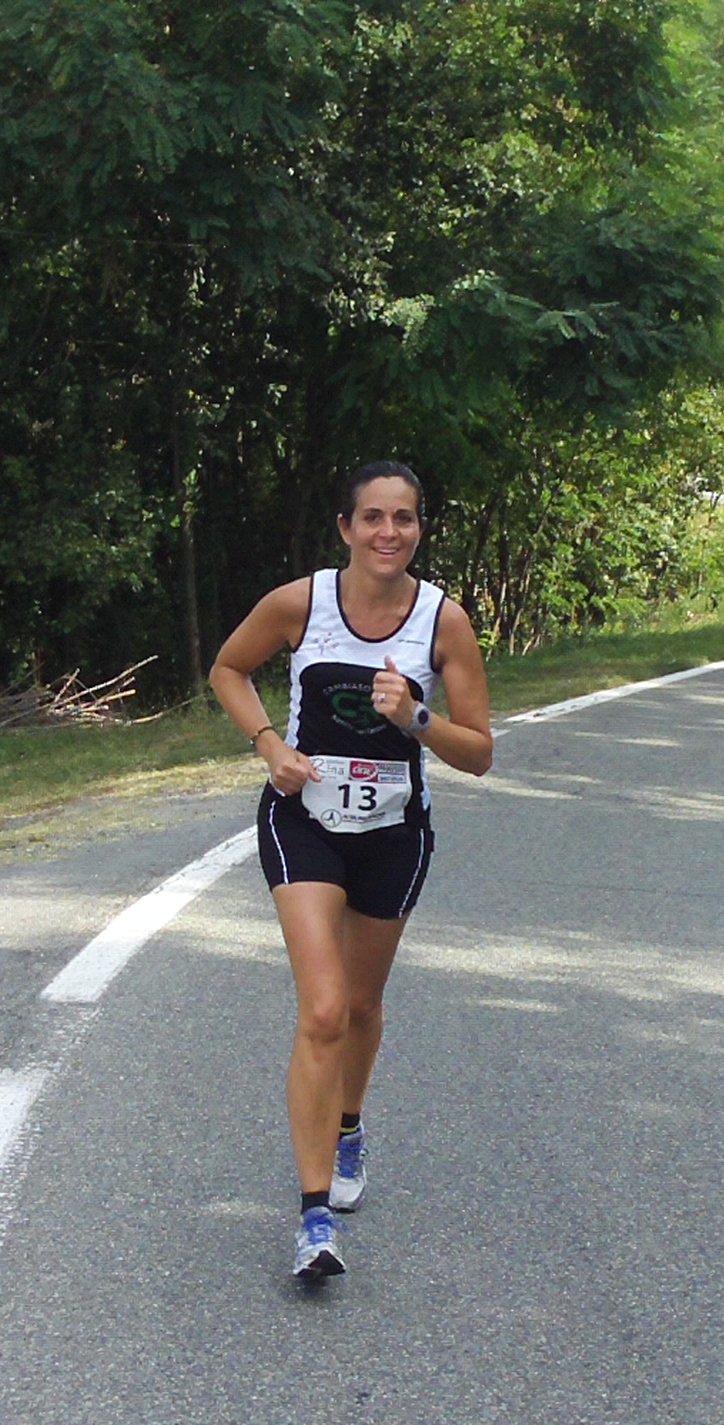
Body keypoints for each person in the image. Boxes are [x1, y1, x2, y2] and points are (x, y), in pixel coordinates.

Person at [209, 461, 493, 1280]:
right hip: (303, 822)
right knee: (325, 1009)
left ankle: (349, 1125)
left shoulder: (443, 621)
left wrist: (417, 716)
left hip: (393, 834)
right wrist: (270, 745)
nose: (388, 533)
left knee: (363, 1005)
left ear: (420, 529)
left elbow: (478, 752)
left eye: (404, 518)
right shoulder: (300, 604)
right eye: (372, 517)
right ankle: (313, 1219)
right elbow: (228, 668)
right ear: (345, 527)